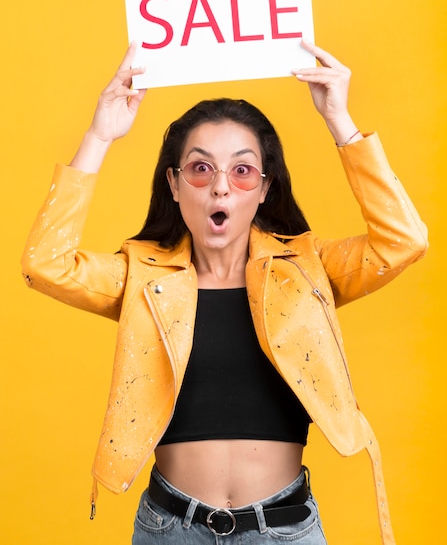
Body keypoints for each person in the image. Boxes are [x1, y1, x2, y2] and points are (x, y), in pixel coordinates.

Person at [21, 40, 428, 545]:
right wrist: (100, 134)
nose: (220, 188)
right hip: (169, 530)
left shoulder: (308, 272)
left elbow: (403, 242)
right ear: (174, 184)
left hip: (283, 530)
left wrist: (340, 122)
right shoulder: (143, 281)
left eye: (241, 170)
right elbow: (45, 265)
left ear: (264, 188)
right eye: (200, 167)